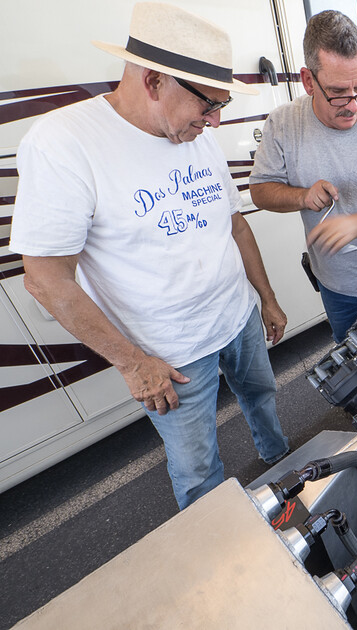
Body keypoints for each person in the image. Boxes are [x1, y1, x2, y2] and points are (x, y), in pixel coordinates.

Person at [9, 2, 290, 510]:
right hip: (171, 357)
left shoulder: (194, 133)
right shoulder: (64, 143)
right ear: (155, 80)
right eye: (208, 105)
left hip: (236, 316)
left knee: (262, 395)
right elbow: (46, 280)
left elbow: (235, 223)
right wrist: (134, 365)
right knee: (199, 469)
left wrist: (264, 299)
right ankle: (220, 548)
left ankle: (279, 460)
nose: (215, 120)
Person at [249, 10, 357, 343]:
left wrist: (356, 224)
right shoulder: (283, 124)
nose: (353, 105)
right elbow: (258, 191)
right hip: (334, 288)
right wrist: (302, 196)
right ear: (308, 81)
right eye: (339, 92)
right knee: (355, 379)